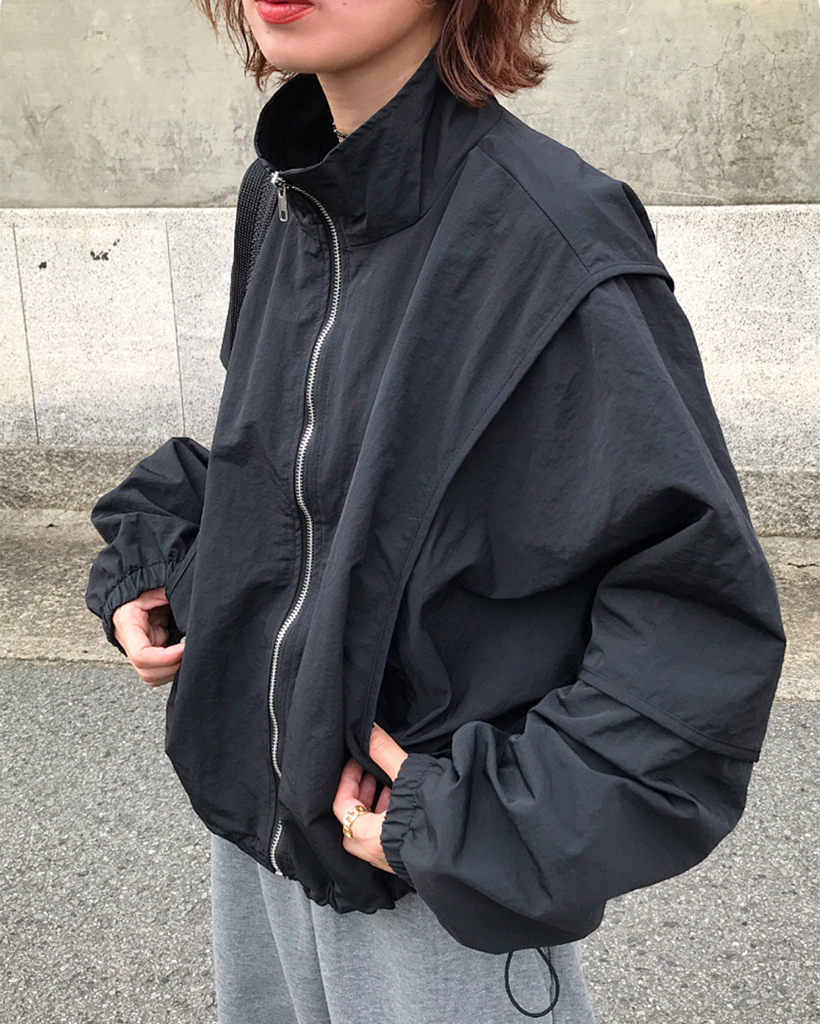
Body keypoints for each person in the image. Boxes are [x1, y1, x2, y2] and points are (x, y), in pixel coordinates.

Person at [85, 0, 786, 1019]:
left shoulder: (555, 235)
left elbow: (696, 623)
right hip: (256, 847)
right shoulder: (280, 196)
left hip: (423, 891)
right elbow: (287, 474)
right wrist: (156, 561)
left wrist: (472, 822)